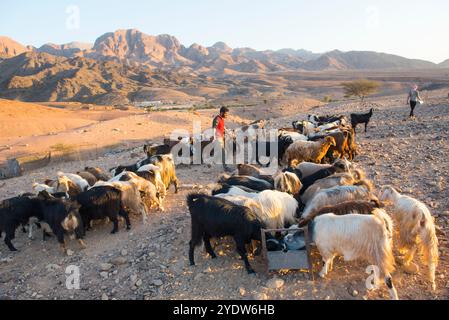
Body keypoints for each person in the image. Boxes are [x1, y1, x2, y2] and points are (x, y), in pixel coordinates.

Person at [212, 106, 232, 172]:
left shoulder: (221, 119)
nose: (226, 115)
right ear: (221, 113)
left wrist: (229, 133)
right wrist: (214, 138)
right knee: (223, 152)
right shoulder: (217, 119)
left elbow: (223, 128)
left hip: (221, 138)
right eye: (225, 114)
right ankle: (225, 167)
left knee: (219, 153)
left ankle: (211, 163)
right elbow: (214, 128)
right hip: (218, 138)